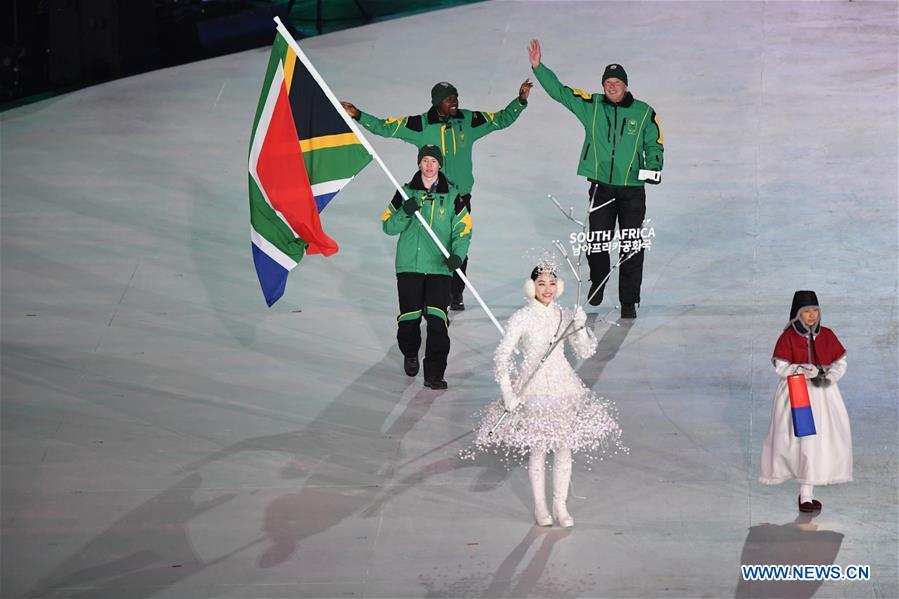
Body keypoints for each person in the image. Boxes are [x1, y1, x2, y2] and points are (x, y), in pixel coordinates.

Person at [342, 78, 531, 311]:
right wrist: (358, 115)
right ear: (436, 102)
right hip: (427, 196)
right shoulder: (420, 125)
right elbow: (386, 127)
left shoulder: (468, 120)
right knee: (429, 245)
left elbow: (500, 119)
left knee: (459, 245)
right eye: (449, 99)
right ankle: (430, 294)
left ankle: (455, 293)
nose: (455, 102)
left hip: (460, 198)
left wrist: (520, 101)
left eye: (456, 97)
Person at [471, 263, 624, 527]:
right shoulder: (522, 317)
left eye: (552, 283)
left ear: (559, 286)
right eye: (541, 284)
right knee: (539, 449)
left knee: (564, 448)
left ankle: (560, 506)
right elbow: (503, 355)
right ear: (532, 287)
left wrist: (582, 325)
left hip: (563, 386)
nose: (547, 289)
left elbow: (586, 351)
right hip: (534, 388)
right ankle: (541, 507)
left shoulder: (564, 315)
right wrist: (507, 391)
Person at [527, 39, 663, 319]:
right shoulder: (592, 106)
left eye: (617, 82)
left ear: (626, 85)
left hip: (632, 191)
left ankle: (628, 301)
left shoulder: (644, 112)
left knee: (631, 247)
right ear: (603, 86)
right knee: (596, 242)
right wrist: (539, 68)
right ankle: (598, 282)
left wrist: (654, 166)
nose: (612, 86)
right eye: (607, 82)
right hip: (601, 187)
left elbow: (654, 143)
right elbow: (561, 93)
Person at [382, 145, 471, 389]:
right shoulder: (405, 192)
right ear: (419, 163)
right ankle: (410, 352)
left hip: (439, 268)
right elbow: (388, 226)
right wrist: (405, 213)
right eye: (425, 161)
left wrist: (457, 256)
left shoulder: (453, 195)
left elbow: (463, 230)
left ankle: (434, 373)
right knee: (409, 319)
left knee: (437, 321)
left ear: (440, 164)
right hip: (409, 265)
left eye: (433, 161)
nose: (429, 165)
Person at [759, 290, 852, 513]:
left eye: (815, 311)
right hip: (797, 394)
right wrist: (800, 370)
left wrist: (829, 377)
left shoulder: (827, 335)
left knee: (821, 440)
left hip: (824, 396)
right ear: (796, 314)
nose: (811, 316)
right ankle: (805, 493)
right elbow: (781, 366)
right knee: (801, 441)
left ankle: (808, 491)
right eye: (806, 311)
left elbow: (840, 363)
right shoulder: (788, 337)